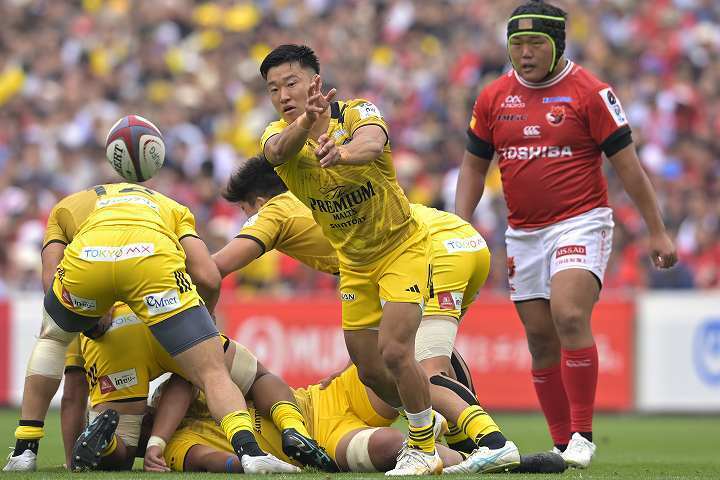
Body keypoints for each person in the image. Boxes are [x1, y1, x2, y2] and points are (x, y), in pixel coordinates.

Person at [454, 1, 678, 470]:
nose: (526, 53)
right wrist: (460, 221)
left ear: (558, 44)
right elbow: (474, 166)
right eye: (517, 43)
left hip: (582, 220)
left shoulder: (590, 92)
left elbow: (629, 169)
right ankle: (561, 447)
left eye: (535, 42)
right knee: (540, 339)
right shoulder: (493, 97)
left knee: (570, 314)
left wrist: (657, 231)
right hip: (523, 234)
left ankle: (583, 434)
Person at [215, 155, 521, 474]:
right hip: (460, 241)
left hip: (433, 250)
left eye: (244, 211)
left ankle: (493, 443)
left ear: (260, 202)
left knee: (419, 367)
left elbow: (219, 265)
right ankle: (468, 448)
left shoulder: (276, 210)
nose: (246, 220)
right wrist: (358, 360)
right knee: (414, 357)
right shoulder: (313, 201)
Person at [3, 181, 298, 474]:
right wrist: (203, 326)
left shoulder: (67, 206)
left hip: (105, 317)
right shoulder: (172, 206)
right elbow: (208, 276)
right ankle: (251, 452)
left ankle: (25, 451)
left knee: (53, 338)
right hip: (156, 278)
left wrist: (82, 317)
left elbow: (50, 284)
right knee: (211, 371)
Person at [259, 44, 439, 475]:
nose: (282, 95)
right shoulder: (275, 134)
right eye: (273, 89)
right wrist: (305, 120)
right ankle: (435, 412)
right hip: (355, 263)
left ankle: (425, 445)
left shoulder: (358, 112)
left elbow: (373, 144)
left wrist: (340, 153)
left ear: (314, 82)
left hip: (401, 246)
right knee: (371, 370)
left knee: (395, 351)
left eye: (291, 83)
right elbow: (277, 153)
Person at [145, 350, 563, 474]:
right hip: (327, 444)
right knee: (392, 447)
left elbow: (268, 381)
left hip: (327, 399)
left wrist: (292, 427)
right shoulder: (180, 446)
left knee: (414, 365)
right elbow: (219, 463)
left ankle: (483, 440)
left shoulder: (207, 382)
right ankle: (490, 461)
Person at [61, 303, 334, 472]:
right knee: (258, 377)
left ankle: (107, 445)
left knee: (121, 458)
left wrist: (156, 443)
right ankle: (293, 430)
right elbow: (186, 380)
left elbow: (210, 460)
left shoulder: (170, 448)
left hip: (107, 338)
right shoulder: (171, 436)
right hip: (162, 312)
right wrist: (204, 314)